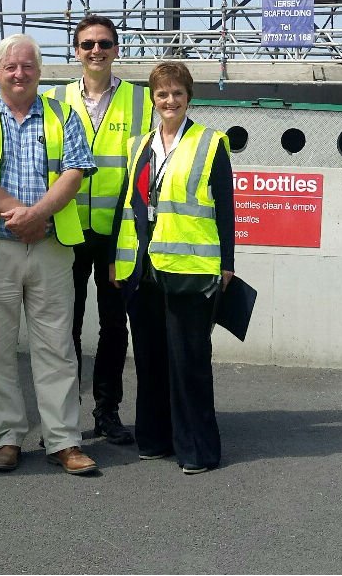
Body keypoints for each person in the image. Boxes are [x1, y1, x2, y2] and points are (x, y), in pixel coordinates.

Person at [0, 33, 99, 475]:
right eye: (10, 67)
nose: (20, 74)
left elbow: (75, 173)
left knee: (56, 347)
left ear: (39, 70)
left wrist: (38, 215)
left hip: (51, 247)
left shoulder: (63, 115)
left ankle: (63, 441)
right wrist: (18, 215)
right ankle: (6, 439)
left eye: (28, 66)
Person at [110, 62, 235, 474]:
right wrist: (116, 259)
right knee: (149, 358)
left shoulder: (210, 142)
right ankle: (155, 438)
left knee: (189, 360)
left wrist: (227, 265)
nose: (170, 100)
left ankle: (197, 450)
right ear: (153, 99)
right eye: (162, 94)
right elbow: (126, 206)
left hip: (189, 266)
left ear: (189, 98)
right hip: (141, 267)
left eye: (177, 93)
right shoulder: (138, 146)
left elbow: (225, 209)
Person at [45, 15, 153, 446]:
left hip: (115, 232)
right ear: (76, 50)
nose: (96, 51)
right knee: (63, 325)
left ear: (116, 49)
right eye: (87, 44)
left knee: (113, 324)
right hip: (67, 228)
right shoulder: (53, 99)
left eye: (104, 43)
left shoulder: (141, 101)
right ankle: (62, 417)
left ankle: (107, 412)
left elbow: (149, 167)